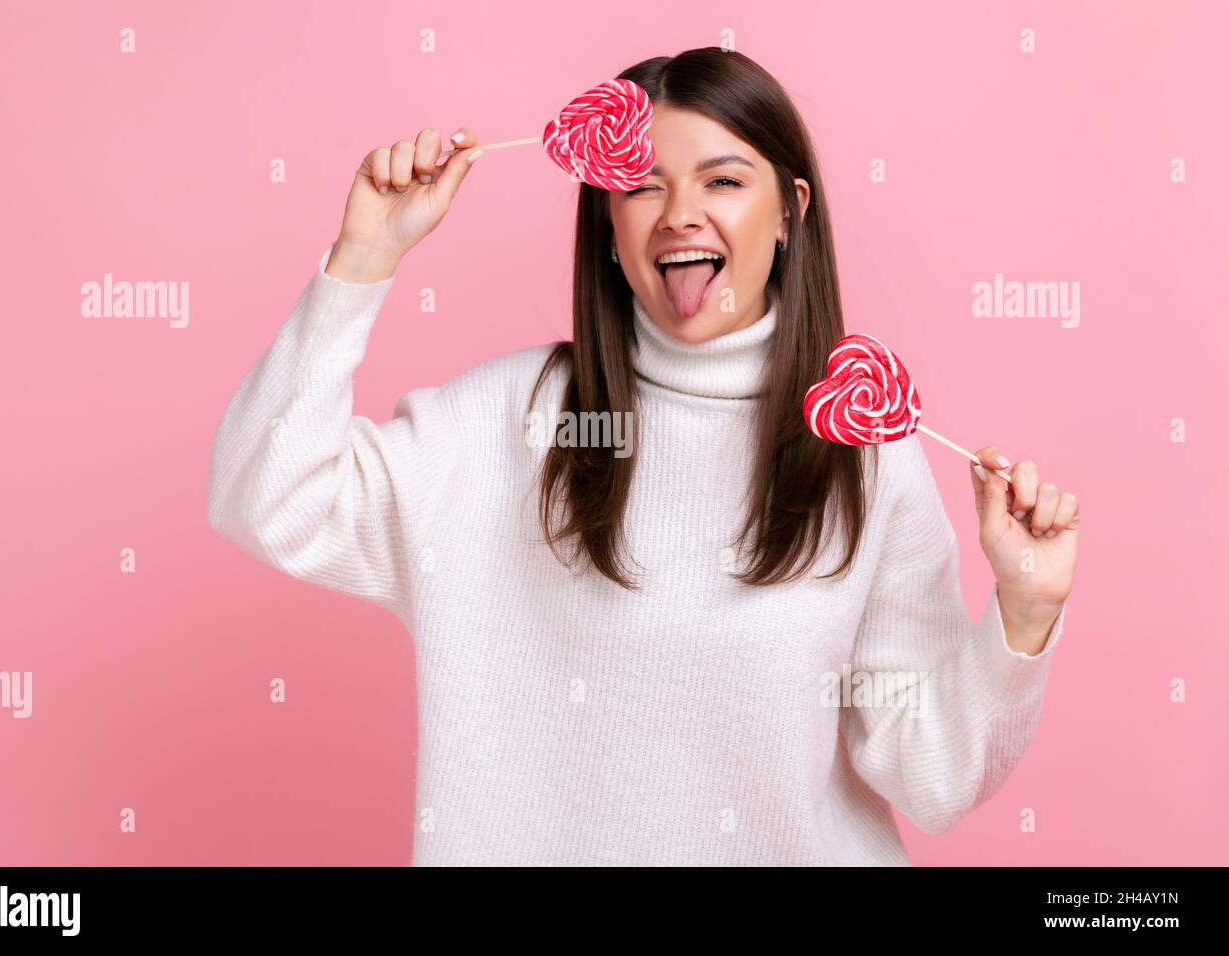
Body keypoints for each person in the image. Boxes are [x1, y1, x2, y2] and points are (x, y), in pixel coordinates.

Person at [207, 48, 1080, 866]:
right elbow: (266, 497)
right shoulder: (507, 423)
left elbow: (931, 775)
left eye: (725, 180)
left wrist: (1025, 613)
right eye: (641, 188)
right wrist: (362, 260)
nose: (680, 215)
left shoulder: (865, 457)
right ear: (609, 224)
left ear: (791, 215)